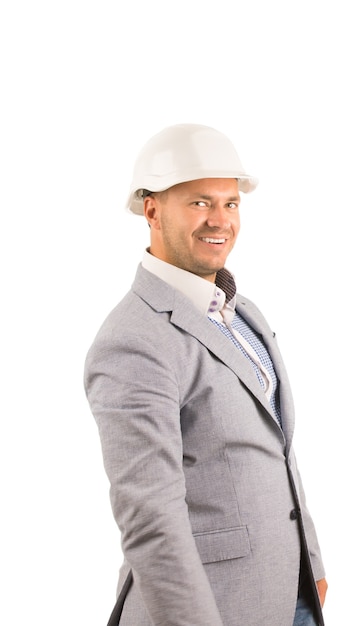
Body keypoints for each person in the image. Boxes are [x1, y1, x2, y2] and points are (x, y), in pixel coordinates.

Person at [84, 123, 327, 626]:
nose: (220, 220)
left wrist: (312, 562)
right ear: (151, 209)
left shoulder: (244, 313)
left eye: (230, 203)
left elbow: (277, 445)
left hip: (290, 592)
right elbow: (150, 520)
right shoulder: (133, 340)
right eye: (199, 203)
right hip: (212, 609)